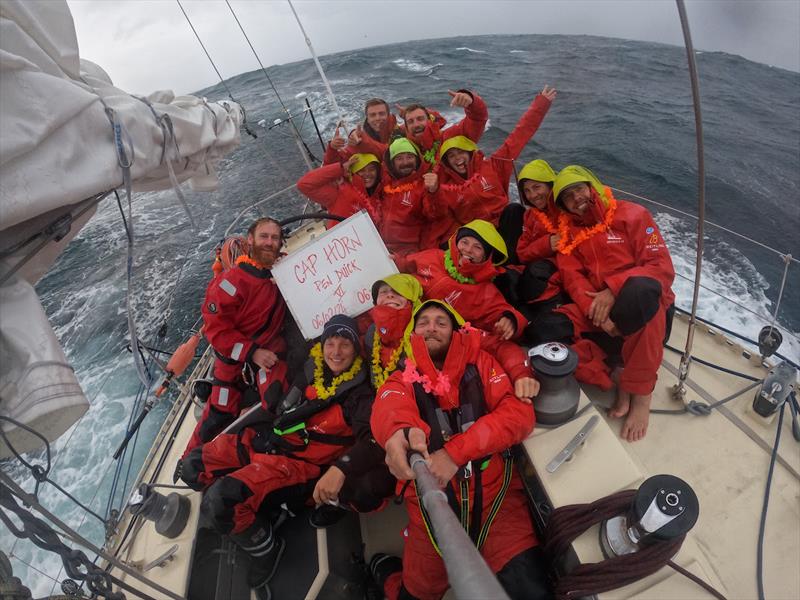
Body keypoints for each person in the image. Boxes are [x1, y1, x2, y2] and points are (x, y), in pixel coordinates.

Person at [181, 315, 394, 589]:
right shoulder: (309, 367)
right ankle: (249, 514)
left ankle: (265, 548)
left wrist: (340, 469)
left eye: (345, 345)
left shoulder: (358, 397)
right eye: (331, 343)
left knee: (219, 502)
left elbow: (373, 441)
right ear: (322, 345)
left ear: (356, 350)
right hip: (267, 441)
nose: (337, 352)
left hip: (297, 467)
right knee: (193, 466)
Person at [368, 300, 550, 600]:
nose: (432, 328)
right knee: (413, 595)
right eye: (423, 322)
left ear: (455, 330)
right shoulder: (400, 378)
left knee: (532, 589)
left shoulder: (482, 364)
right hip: (429, 511)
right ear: (414, 333)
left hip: (497, 501)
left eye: (442, 322)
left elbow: (519, 416)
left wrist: (454, 453)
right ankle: (388, 574)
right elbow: (389, 408)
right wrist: (397, 434)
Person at [553, 165, 675, 442]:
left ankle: (640, 396)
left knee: (642, 294)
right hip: (602, 313)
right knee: (547, 326)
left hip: (646, 304)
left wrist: (612, 288)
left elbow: (662, 267)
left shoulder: (634, 215)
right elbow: (574, 281)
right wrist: (596, 314)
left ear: (592, 186)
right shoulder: (568, 236)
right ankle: (621, 370)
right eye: (568, 197)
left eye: (579, 189)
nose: (577, 198)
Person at [183, 217, 288, 456]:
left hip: (272, 353)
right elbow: (216, 331)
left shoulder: (284, 269)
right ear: (250, 240)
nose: (269, 243)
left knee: (274, 402)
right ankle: (189, 463)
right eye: (264, 236)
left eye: (274, 238)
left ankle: (251, 452)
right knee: (217, 416)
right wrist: (252, 352)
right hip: (234, 365)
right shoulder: (230, 284)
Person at [422, 85, 557, 249]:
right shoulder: (446, 188)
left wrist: (540, 105)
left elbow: (519, 135)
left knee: (514, 209)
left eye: (461, 152)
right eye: (451, 156)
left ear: (471, 153)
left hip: (507, 228)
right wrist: (433, 191)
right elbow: (436, 213)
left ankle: (512, 260)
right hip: (478, 239)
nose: (457, 159)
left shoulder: (494, 165)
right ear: (446, 163)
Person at [367, 273, 539, 401]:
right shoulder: (370, 336)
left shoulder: (438, 327)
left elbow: (499, 346)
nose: (389, 295)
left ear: (411, 299)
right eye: (383, 291)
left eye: (398, 291)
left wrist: (521, 374)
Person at [401, 220, 527, 340]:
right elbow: (403, 263)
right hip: (404, 315)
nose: (468, 250)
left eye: (477, 247)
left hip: (437, 339)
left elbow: (503, 314)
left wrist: (512, 320)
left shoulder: (486, 292)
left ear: (486, 257)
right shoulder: (434, 256)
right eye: (465, 242)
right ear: (456, 242)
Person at [511, 159, 574, 345]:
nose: (533, 195)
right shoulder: (531, 215)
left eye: (537, 187)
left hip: (563, 273)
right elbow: (521, 252)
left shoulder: (569, 210)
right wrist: (546, 244)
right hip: (536, 271)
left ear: (550, 184)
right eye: (527, 191)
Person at [351, 90, 489, 169]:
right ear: (406, 127)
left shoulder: (447, 137)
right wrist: (360, 141)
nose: (416, 124)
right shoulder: (402, 146)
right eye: (410, 121)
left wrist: (472, 102)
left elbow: (476, 120)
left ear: (429, 120)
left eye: (420, 119)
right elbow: (382, 151)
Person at [377, 138, 436, 256]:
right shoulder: (384, 183)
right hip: (381, 249)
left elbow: (434, 214)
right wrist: (359, 142)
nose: (405, 162)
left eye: (410, 157)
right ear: (392, 163)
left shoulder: (423, 185)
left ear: (417, 159)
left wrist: (434, 192)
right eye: (399, 158)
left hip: (409, 253)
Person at [296, 152, 382, 228]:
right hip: (346, 243)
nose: (367, 174)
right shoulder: (337, 194)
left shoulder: (383, 192)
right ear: (351, 173)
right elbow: (304, 184)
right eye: (361, 170)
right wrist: (340, 168)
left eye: (372, 169)